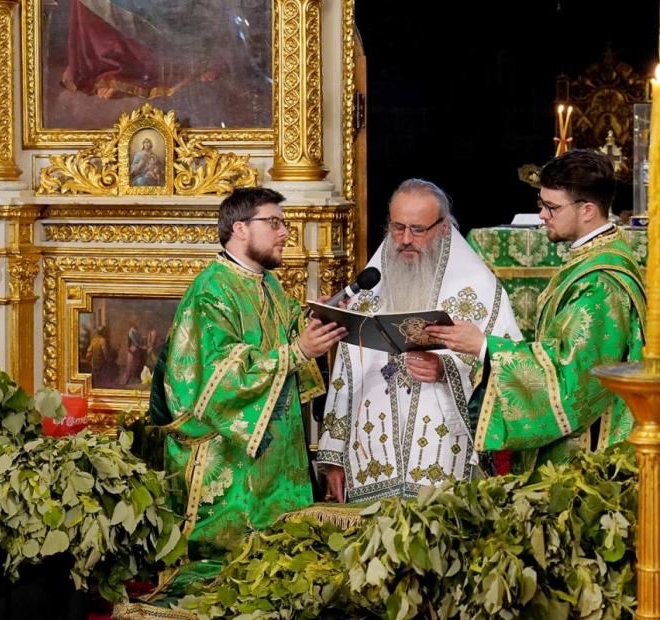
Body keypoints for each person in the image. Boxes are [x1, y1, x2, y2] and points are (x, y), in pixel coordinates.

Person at [149, 187, 345, 567]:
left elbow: (284, 332)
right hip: (227, 457)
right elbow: (219, 379)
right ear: (240, 228)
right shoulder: (211, 290)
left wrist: (317, 320)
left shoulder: (267, 283)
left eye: (284, 224)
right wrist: (297, 351)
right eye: (274, 223)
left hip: (275, 455)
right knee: (229, 571)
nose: (284, 233)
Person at [427, 150, 646, 474]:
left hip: (590, 452)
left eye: (552, 207)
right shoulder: (594, 257)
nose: (542, 215)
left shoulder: (600, 281)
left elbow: (576, 381)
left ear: (587, 210)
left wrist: (484, 347)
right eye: (541, 204)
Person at [316, 179, 522, 503]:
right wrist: (333, 457)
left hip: (445, 459)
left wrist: (446, 369)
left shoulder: (480, 290)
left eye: (417, 229)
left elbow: (510, 368)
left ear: (443, 228)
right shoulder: (369, 289)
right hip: (370, 459)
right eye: (397, 228)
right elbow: (345, 375)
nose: (405, 240)